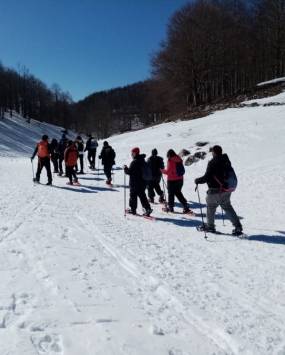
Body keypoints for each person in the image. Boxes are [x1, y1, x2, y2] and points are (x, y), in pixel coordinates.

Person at [195, 145, 243, 235]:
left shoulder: (213, 162)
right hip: (227, 188)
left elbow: (207, 177)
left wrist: (197, 180)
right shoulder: (226, 160)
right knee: (227, 207)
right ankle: (238, 226)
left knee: (211, 207)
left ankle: (210, 227)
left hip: (215, 190)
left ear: (214, 152)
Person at [124, 147, 152, 216]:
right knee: (142, 196)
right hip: (143, 182)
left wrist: (125, 168)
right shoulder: (143, 160)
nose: (131, 155)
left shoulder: (135, 162)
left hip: (135, 183)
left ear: (136, 153)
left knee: (133, 196)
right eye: (131, 153)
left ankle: (133, 210)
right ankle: (147, 209)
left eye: (133, 153)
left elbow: (129, 172)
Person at [161, 149, 191, 213]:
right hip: (180, 179)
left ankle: (170, 208)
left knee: (171, 194)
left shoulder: (170, 160)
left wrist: (162, 171)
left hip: (172, 180)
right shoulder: (178, 159)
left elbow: (168, 172)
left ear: (169, 155)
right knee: (178, 193)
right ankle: (185, 206)